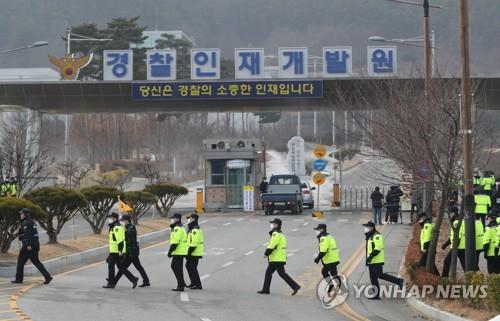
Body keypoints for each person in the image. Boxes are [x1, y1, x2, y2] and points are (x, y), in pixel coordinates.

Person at [258, 218, 301, 295]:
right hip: (277, 258)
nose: (271, 225)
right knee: (269, 273)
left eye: (273, 224)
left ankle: (295, 286)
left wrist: (266, 253)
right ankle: (266, 289)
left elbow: (272, 245)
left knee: (281, 273)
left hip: (277, 258)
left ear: (277, 225)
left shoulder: (276, 234)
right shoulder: (280, 234)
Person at [363, 221, 403, 300]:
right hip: (372, 261)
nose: (366, 229)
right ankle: (376, 295)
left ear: (371, 228)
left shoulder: (377, 236)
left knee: (380, 275)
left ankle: (399, 281)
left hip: (376, 260)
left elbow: (378, 248)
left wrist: (370, 256)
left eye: (367, 227)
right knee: (373, 278)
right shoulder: (370, 236)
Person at [12, 208, 52, 285]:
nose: (21, 215)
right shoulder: (32, 221)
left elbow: (28, 235)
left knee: (20, 262)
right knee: (36, 262)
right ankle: (48, 277)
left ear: (25, 214)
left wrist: (28, 245)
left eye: (22, 214)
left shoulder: (26, 223)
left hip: (28, 246)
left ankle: (19, 279)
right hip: (35, 244)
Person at [112, 214, 150, 287]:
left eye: (123, 221)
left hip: (131, 253)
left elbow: (132, 243)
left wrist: (131, 253)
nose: (122, 222)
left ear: (126, 221)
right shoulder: (129, 228)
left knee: (122, 268)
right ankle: (146, 281)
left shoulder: (130, 229)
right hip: (132, 252)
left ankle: (114, 281)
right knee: (136, 267)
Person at [102, 212, 138, 289]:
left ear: (114, 218)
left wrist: (120, 251)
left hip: (116, 251)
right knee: (121, 267)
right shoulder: (115, 227)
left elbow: (120, 241)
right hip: (115, 251)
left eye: (110, 218)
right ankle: (133, 279)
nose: (109, 219)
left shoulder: (116, 228)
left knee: (111, 266)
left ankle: (111, 283)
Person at [313, 223, 340, 293]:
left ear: (322, 229)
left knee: (332, 274)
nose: (317, 231)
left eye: (318, 229)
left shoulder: (324, 238)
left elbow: (323, 251)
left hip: (330, 259)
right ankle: (332, 285)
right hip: (333, 258)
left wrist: (317, 258)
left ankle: (340, 287)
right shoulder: (329, 236)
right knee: (326, 272)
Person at [441, 209, 465, 277]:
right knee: (464, 266)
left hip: (457, 247)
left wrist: (454, 248)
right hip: (462, 247)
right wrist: (445, 245)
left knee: (446, 262)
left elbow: (458, 237)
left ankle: (444, 278)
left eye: (451, 214)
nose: (450, 216)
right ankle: (470, 279)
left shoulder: (456, 223)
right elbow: (452, 236)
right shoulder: (461, 222)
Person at [168, 213, 188, 291]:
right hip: (180, 251)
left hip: (179, 251)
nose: (172, 220)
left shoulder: (177, 228)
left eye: (173, 218)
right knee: (176, 267)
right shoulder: (178, 227)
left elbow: (175, 241)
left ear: (177, 219)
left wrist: (170, 251)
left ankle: (181, 285)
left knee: (176, 267)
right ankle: (181, 283)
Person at [185, 213, 204, 290]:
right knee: (189, 266)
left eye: (190, 218)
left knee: (192, 267)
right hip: (192, 252)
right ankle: (193, 283)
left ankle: (198, 284)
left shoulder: (195, 230)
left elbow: (194, 243)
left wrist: (188, 252)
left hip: (195, 252)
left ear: (194, 219)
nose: (188, 220)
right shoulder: (192, 229)